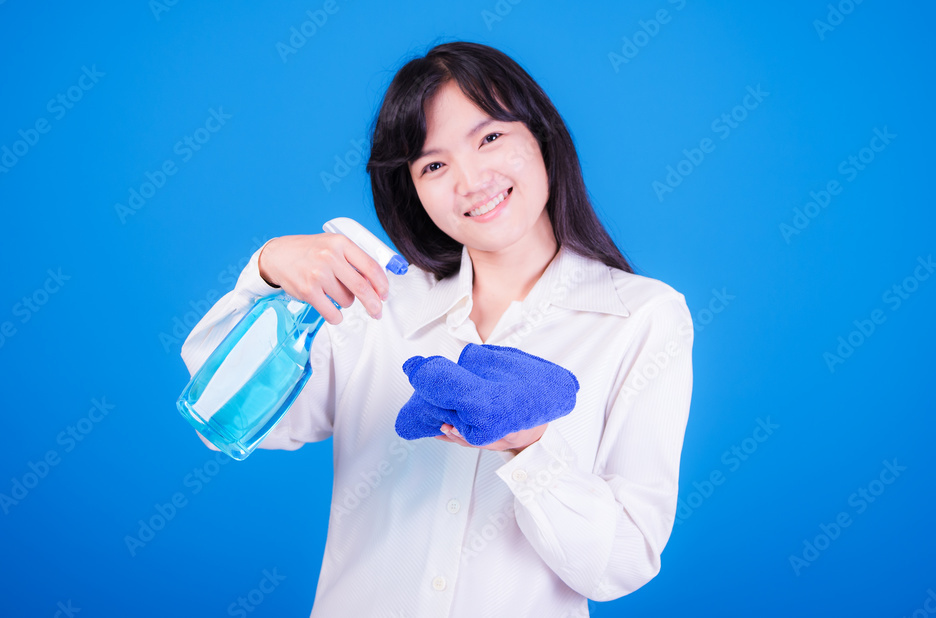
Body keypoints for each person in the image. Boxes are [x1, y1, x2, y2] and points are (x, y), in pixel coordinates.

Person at [181, 41, 694, 618]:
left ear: (542, 137)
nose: (471, 180)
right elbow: (221, 418)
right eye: (434, 164)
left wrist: (531, 448)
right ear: (414, 190)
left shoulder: (641, 318)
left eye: (491, 137)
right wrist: (267, 273)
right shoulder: (373, 304)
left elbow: (621, 565)